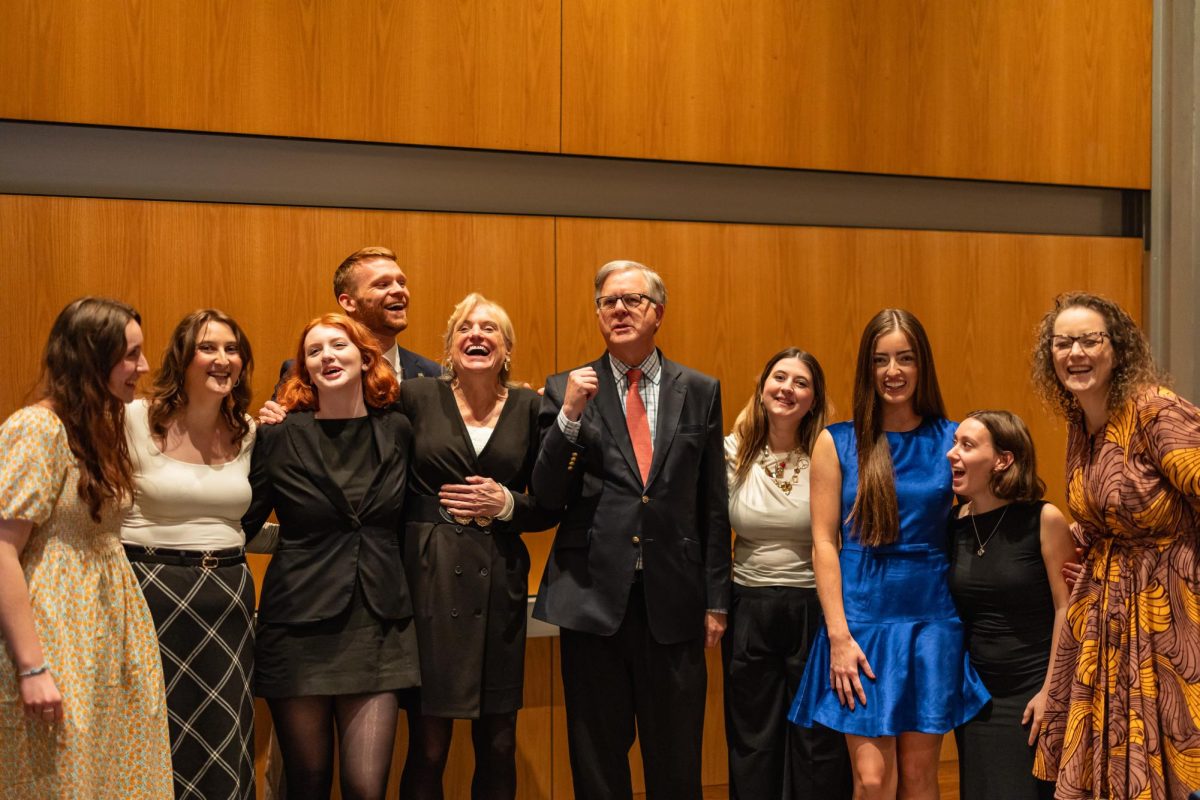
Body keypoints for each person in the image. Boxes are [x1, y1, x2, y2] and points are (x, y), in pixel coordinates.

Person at [532, 259, 732, 800]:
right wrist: (570, 415)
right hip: (593, 599)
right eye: (607, 302)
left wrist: (718, 600)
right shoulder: (566, 388)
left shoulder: (700, 389)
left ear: (658, 312)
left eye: (632, 300)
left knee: (676, 755)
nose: (618, 310)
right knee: (596, 758)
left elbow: (712, 505)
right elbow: (547, 494)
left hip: (676, 601)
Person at [788, 308, 989, 800]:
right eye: (881, 360)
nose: (893, 371)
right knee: (874, 780)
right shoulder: (836, 441)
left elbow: (991, 513)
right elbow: (823, 543)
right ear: (867, 368)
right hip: (861, 624)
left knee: (921, 779)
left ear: (922, 366)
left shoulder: (952, 438)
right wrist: (838, 634)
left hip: (931, 621)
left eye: (905, 358)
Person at [1030, 292, 1200, 800]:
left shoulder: (1154, 411)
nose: (1075, 353)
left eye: (1089, 340)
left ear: (1117, 348)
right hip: (1108, 609)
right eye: (1063, 343)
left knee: (1174, 746)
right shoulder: (1080, 422)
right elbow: (1102, 511)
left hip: (1170, 607)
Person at [0, 297, 172, 798]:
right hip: (56, 629)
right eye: (130, 355)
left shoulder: (100, 428)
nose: (142, 367)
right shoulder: (37, 429)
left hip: (106, 628)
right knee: (60, 778)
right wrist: (32, 667)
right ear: (89, 359)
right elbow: (3, 549)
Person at [243, 313, 418, 800]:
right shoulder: (278, 435)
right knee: (308, 782)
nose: (327, 356)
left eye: (337, 345)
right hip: (298, 625)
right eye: (314, 351)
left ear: (366, 358)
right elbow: (243, 521)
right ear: (304, 368)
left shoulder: (399, 429)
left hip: (379, 623)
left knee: (367, 788)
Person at [397, 293, 557, 800]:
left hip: (499, 585)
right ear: (449, 346)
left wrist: (507, 504)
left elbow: (552, 503)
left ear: (506, 348)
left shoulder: (533, 407)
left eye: (490, 329)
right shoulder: (415, 396)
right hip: (430, 582)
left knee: (499, 743)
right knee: (427, 745)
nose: (477, 335)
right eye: (465, 327)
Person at [120, 309, 258, 800]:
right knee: (153, 728)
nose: (222, 359)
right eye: (208, 347)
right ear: (182, 358)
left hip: (227, 600)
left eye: (232, 349)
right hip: (148, 593)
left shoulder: (248, 432)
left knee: (222, 732)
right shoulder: (133, 418)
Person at [722, 347, 851, 799]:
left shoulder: (831, 451)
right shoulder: (731, 452)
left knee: (817, 739)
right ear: (762, 389)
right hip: (748, 606)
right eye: (779, 378)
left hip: (814, 608)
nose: (787, 389)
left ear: (814, 399)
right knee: (752, 735)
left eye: (801, 383)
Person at [945, 410, 1073, 800]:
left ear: (1003, 460)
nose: (952, 454)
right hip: (977, 698)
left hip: (1033, 693)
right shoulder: (954, 524)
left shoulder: (1043, 518)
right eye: (954, 443)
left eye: (967, 445)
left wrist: (1052, 690)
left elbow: (1068, 608)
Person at [277, 246, 440, 386]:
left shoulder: (435, 375)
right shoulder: (305, 373)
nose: (399, 290)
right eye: (382, 284)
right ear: (349, 302)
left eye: (402, 283)